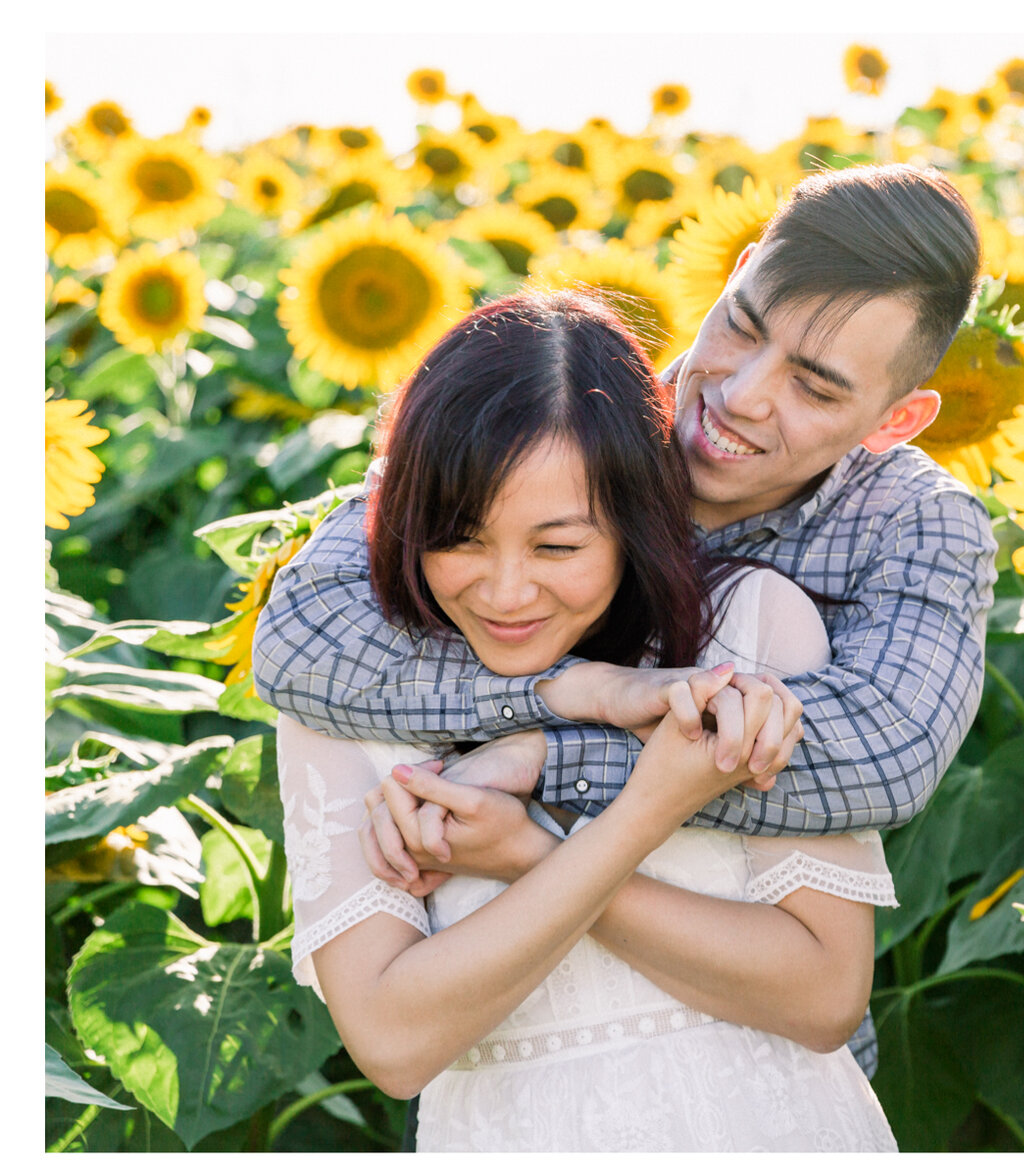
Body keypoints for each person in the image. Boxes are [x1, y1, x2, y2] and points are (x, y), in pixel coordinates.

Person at [255, 163, 993, 1078]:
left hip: (766, 1067)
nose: (741, 394)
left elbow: (884, 754)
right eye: (744, 327)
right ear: (740, 270)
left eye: (816, 387)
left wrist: (539, 759)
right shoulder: (572, 411)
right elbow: (304, 637)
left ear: (897, 420)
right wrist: (589, 691)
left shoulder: (910, 523)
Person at [278, 289, 902, 1149]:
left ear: (635, 524)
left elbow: (825, 996)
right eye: (459, 538)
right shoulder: (343, 690)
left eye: (558, 547)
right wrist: (644, 811)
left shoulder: (751, 630)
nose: (503, 592)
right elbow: (393, 1039)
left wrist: (529, 854)